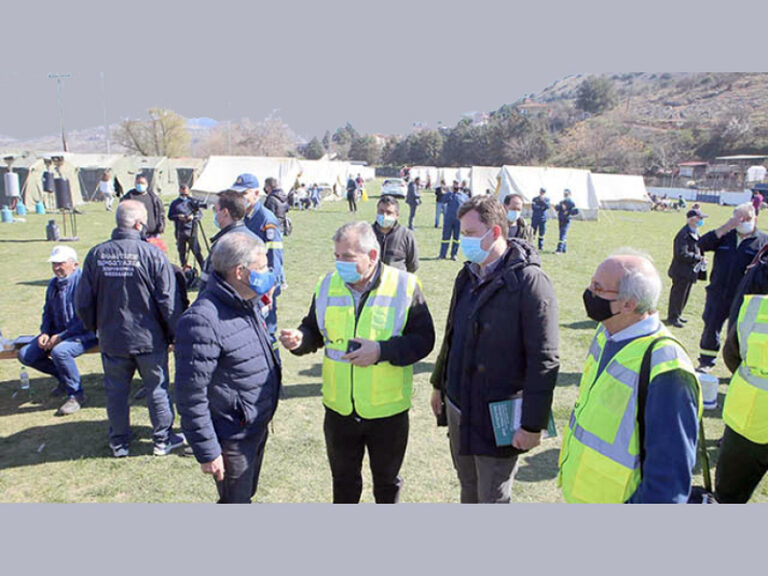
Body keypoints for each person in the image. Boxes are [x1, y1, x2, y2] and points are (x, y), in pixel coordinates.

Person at [279, 221, 435, 503]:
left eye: (348, 257)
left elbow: (424, 340)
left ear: (372, 256)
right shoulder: (327, 285)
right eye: (337, 256)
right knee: (343, 483)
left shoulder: (404, 285)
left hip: (387, 411)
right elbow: (314, 330)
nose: (340, 264)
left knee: (387, 485)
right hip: (339, 410)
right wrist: (300, 339)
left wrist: (382, 351)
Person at [430, 195, 559, 503]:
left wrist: (532, 424)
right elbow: (452, 334)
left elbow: (544, 358)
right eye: (462, 232)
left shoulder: (530, 282)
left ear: (495, 232)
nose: (464, 240)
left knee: (492, 496)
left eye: (470, 233)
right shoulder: (467, 275)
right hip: (459, 404)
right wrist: (439, 384)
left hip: (497, 413)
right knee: (468, 487)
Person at [558, 251, 702, 503]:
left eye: (598, 288)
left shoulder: (668, 372)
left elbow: (667, 487)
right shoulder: (606, 332)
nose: (589, 292)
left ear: (628, 304)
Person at [175, 233, 281, 504]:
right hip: (232, 436)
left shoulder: (245, 301)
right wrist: (208, 450)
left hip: (254, 426)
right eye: (261, 267)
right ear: (240, 272)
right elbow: (190, 394)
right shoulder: (202, 320)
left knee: (245, 495)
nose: (268, 273)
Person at [75, 200, 185, 458]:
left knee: (116, 392)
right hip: (149, 339)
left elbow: (83, 302)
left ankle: (119, 442)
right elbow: (168, 302)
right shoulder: (153, 255)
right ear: (138, 224)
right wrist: (174, 334)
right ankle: (162, 439)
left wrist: (97, 328)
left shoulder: (96, 254)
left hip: (113, 339)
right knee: (157, 389)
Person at [18, 246, 98, 416]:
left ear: (74, 264)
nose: (56, 268)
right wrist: (45, 332)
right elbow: (47, 311)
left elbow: (87, 318)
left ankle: (76, 395)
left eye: (60, 263)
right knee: (25, 355)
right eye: (54, 264)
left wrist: (62, 337)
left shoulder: (85, 283)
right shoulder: (53, 284)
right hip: (58, 333)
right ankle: (64, 379)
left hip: (86, 334)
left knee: (60, 352)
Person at [696, 202, 768, 372]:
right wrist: (725, 227)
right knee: (711, 326)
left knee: (740, 333)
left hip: (745, 296)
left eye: (746, 219)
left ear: (755, 219)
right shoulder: (725, 236)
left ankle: (739, 367)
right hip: (718, 292)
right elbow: (701, 244)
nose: (742, 222)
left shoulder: (763, 241)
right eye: (738, 219)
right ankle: (706, 361)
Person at [232, 174, 285, 353]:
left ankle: (273, 364)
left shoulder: (266, 219)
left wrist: (270, 286)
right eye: (237, 194)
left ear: (256, 193)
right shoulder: (242, 216)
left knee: (266, 330)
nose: (240, 198)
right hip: (246, 283)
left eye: (244, 193)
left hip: (263, 284)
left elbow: (275, 257)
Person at [666, 209, 707, 328]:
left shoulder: (695, 232)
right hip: (681, 271)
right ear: (692, 219)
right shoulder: (683, 234)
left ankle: (678, 314)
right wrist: (698, 257)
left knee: (685, 294)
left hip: (689, 271)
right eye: (700, 218)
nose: (701, 221)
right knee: (678, 295)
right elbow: (681, 254)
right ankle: (673, 317)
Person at [372, 195, 419, 273]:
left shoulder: (406, 235)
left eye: (389, 213)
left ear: (397, 215)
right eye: (381, 211)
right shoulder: (367, 233)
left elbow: (413, 265)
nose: (384, 215)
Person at [168, 184, 205, 271]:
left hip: (192, 231)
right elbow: (170, 216)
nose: (184, 194)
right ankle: (185, 270)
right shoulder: (175, 203)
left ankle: (204, 269)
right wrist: (178, 217)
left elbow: (200, 214)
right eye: (182, 192)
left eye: (186, 192)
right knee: (182, 252)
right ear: (179, 190)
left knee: (197, 252)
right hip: (180, 231)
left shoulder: (192, 202)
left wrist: (193, 217)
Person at [119, 174, 165, 238]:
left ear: (147, 184)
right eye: (138, 183)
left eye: (142, 183)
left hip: (153, 235)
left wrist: (161, 227)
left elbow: (161, 214)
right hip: (135, 234)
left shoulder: (154, 198)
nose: (140, 185)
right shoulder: (129, 197)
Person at [438, 181, 468, 260]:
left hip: (458, 221)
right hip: (449, 220)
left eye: (457, 184)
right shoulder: (449, 195)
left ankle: (454, 255)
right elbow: (443, 200)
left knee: (456, 238)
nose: (456, 186)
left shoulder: (464, 196)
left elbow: (467, 207)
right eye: (454, 184)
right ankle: (442, 254)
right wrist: (450, 192)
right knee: (445, 237)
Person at [554, 189, 579, 254]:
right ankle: (564, 249)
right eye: (564, 194)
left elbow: (576, 211)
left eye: (567, 194)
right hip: (561, 220)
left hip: (566, 220)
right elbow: (556, 208)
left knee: (562, 234)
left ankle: (559, 250)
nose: (565, 195)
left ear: (570, 194)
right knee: (563, 234)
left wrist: (568, 212)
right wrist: (561, 207)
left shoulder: (571, 202)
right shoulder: (562, 202)